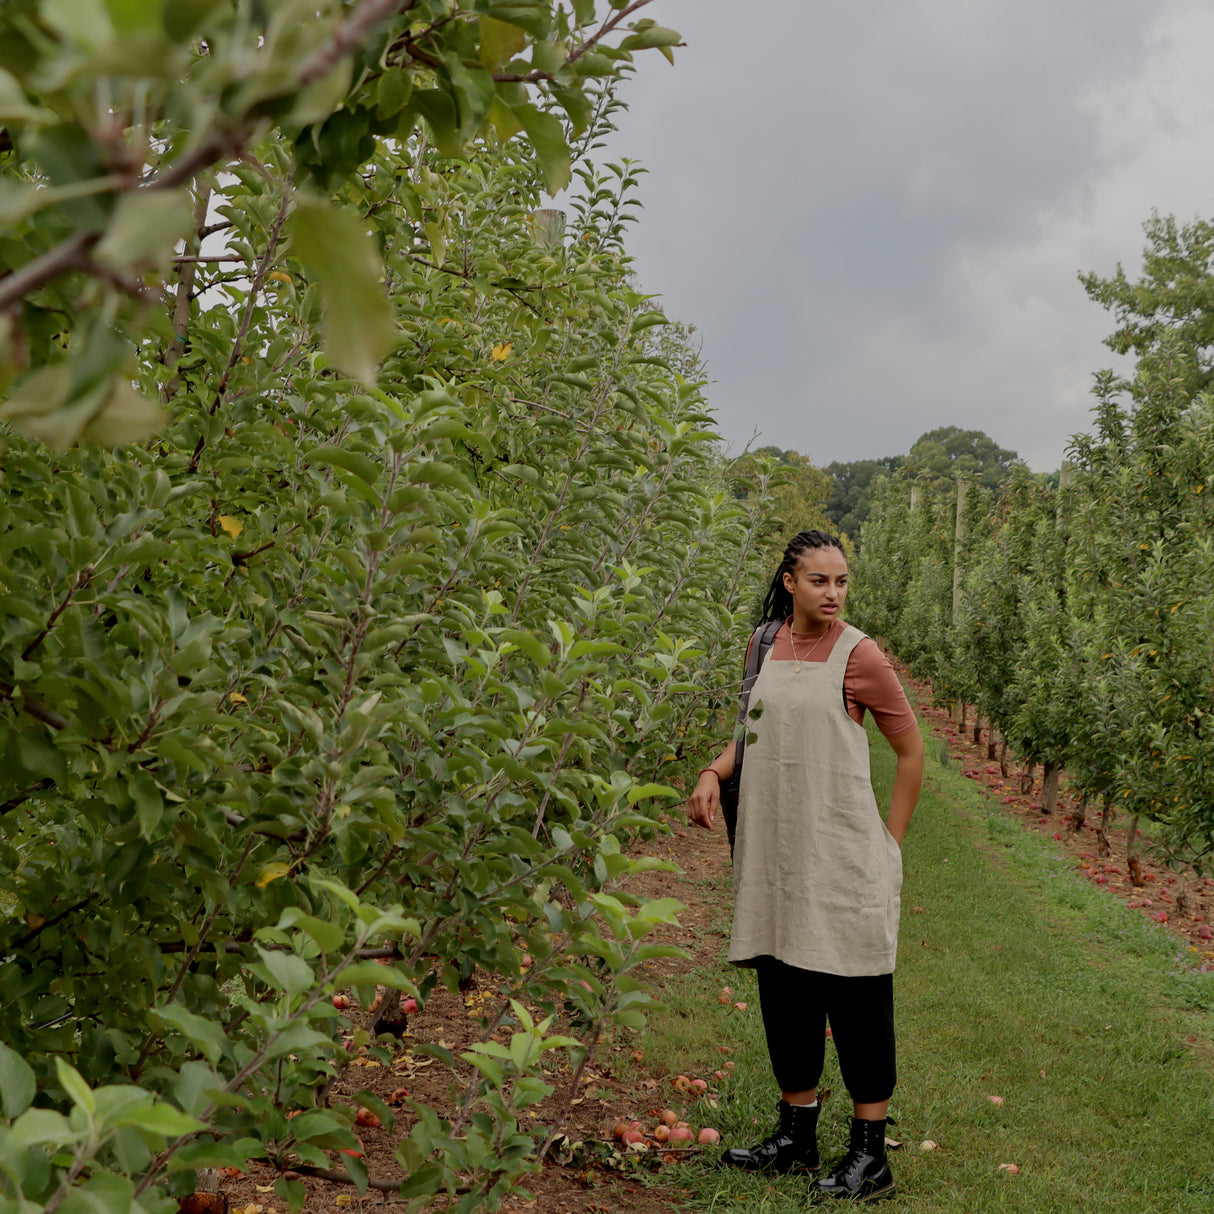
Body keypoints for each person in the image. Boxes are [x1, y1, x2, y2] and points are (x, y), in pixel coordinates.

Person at [688, 529, 924, 1204]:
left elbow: (911, 754)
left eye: (842, 581)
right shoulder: (764, 644)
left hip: (843, 855)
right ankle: (797, 1136)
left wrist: (890, 843)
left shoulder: (861, 655)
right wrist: (713, 770)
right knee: (784, 987)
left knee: (856, 997)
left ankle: (870, 1155)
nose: (833, 593)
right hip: (777, 851)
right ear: (790, 581)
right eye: (820, 580)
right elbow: (748, 734)